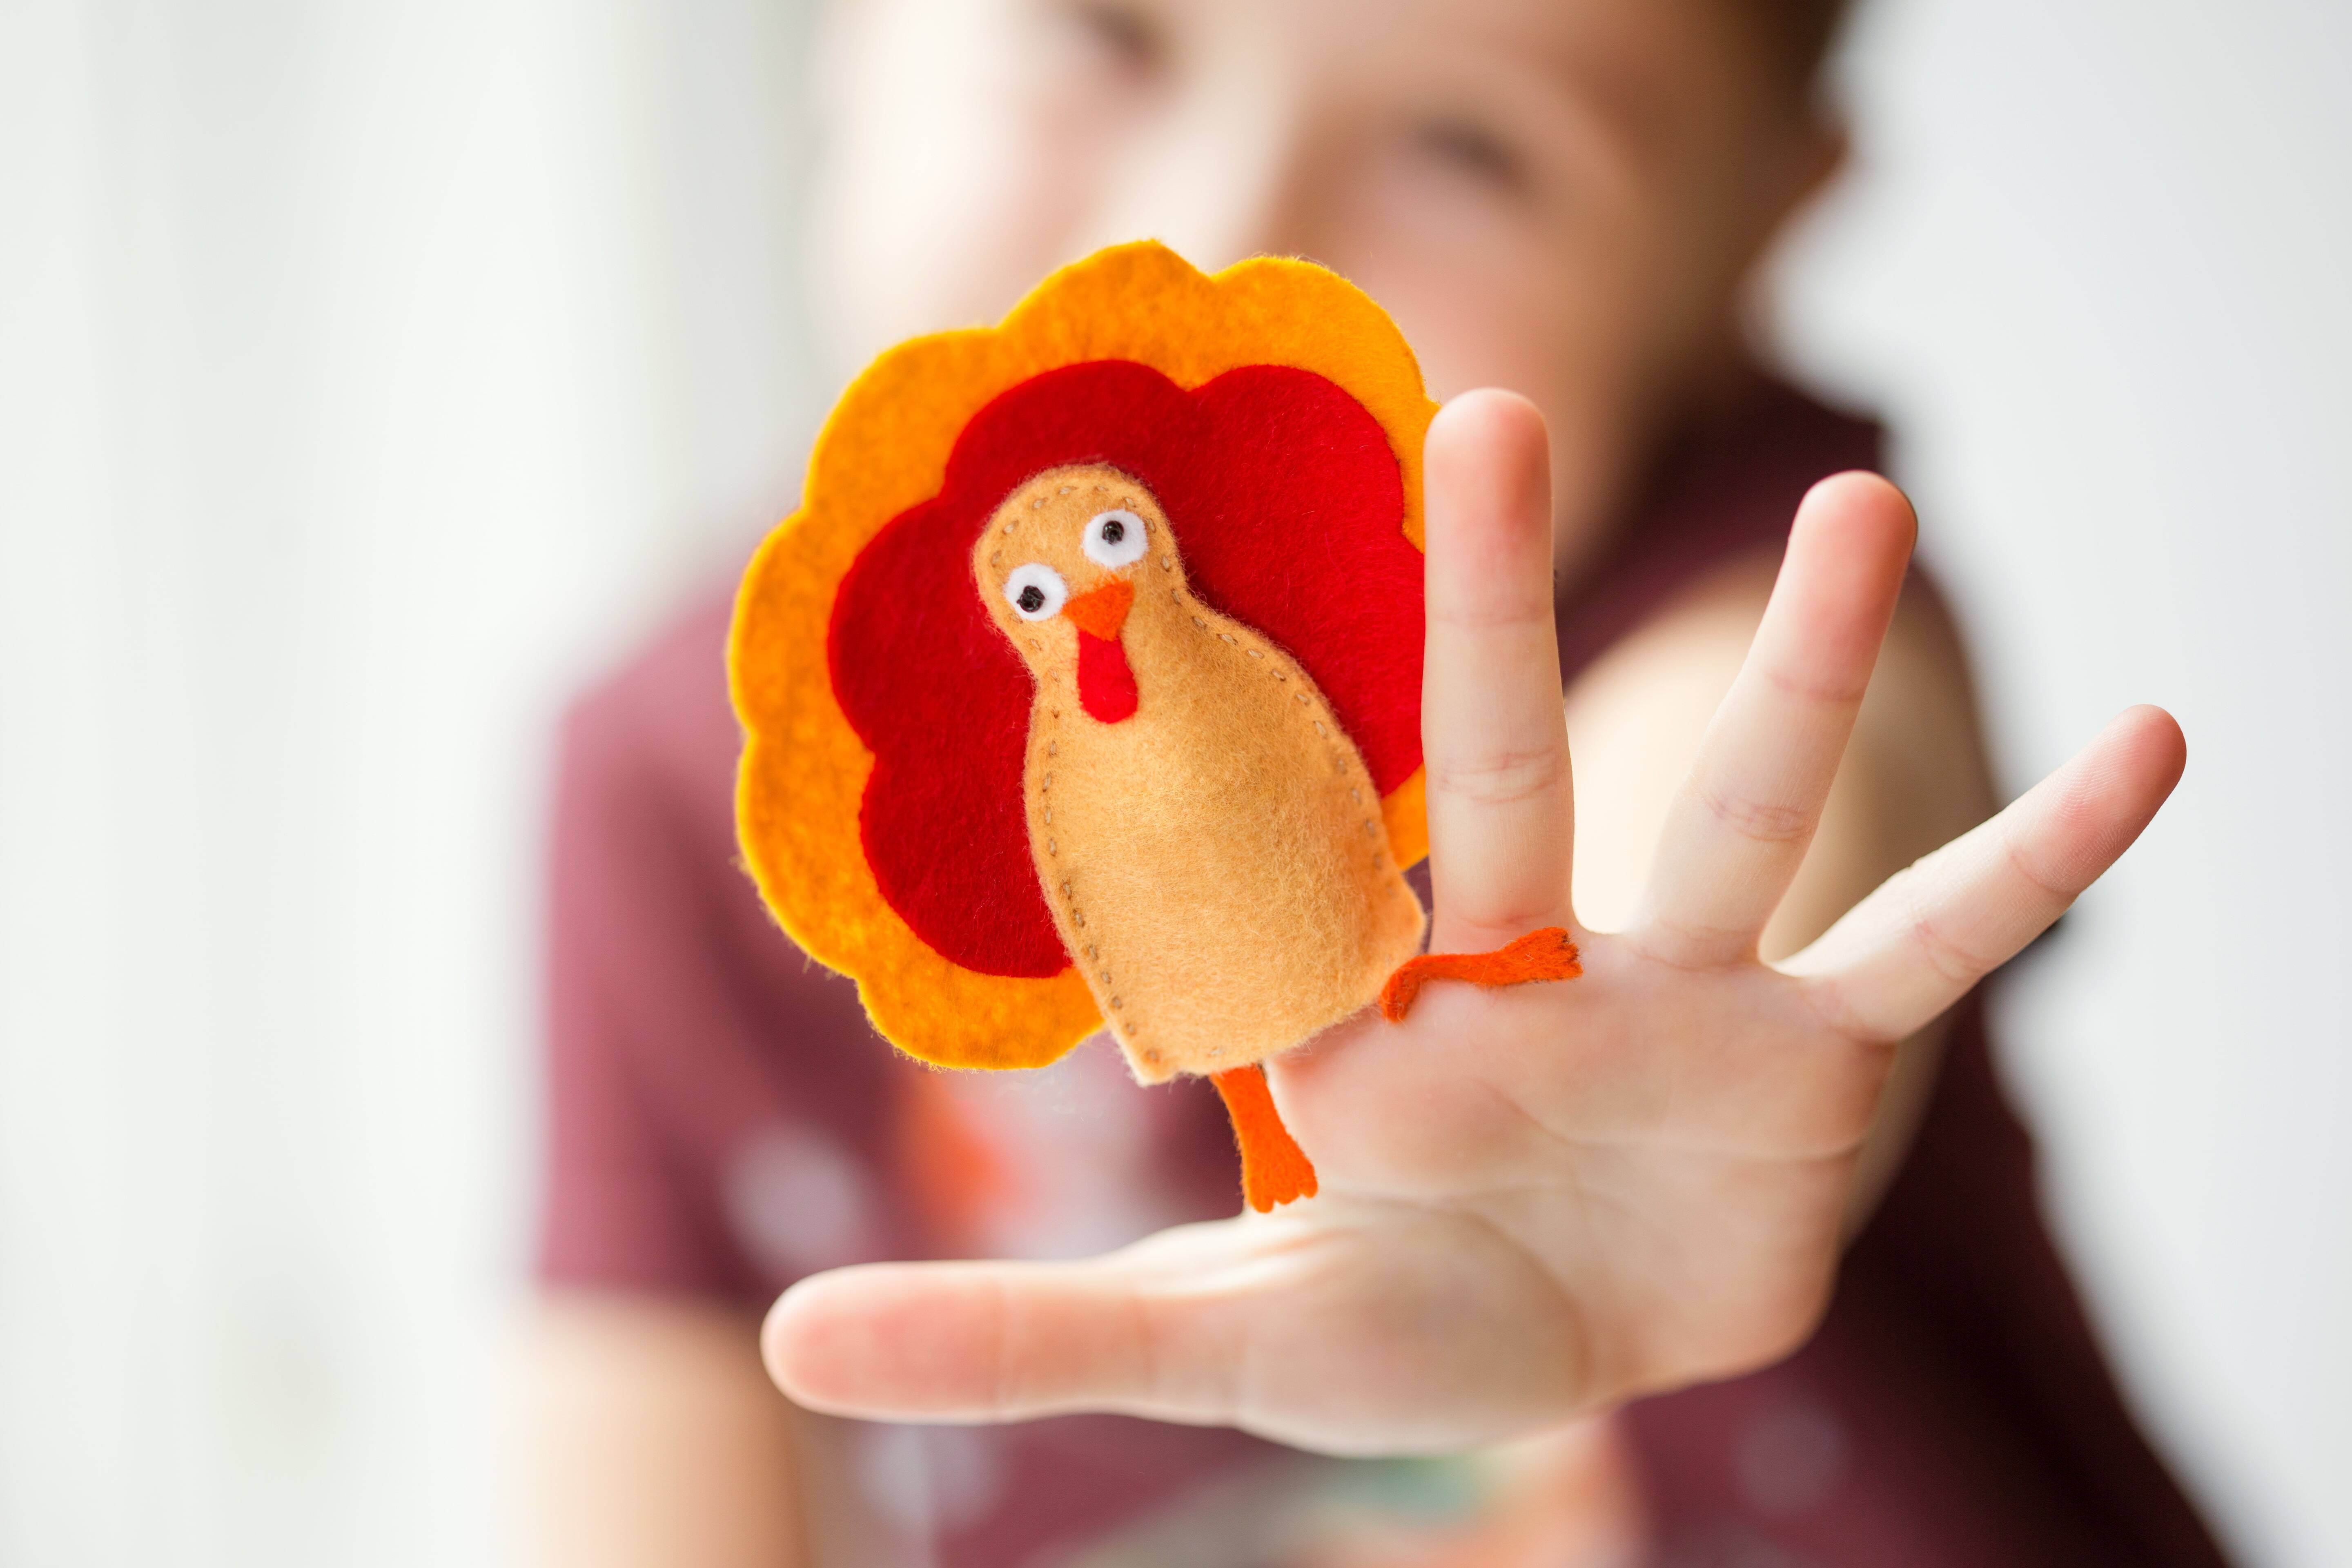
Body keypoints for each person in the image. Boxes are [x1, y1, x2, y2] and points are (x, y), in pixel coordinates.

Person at [530, 0, 2232, 1563]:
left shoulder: (1750, 589)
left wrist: (1597, 1047)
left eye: (1469, 148)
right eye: (1100, 35)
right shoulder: (661, 792)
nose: (1213, 232)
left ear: (1750, 230)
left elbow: (1752, 816)